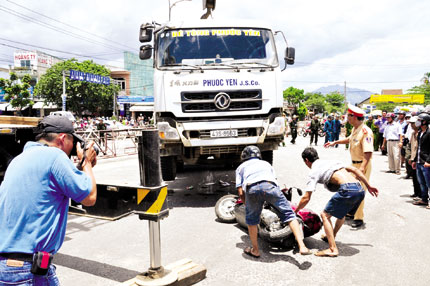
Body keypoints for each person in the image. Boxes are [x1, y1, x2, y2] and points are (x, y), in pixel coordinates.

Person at [0, 115, 97, 284]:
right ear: (62, 138)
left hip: (7, 267)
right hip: (27, 271)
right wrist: (86, 162)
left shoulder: (18, 160)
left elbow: (53, 184)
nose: (73, 147)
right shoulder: (54, 156)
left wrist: (80, 167)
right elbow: (89, 197)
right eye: (72, 141)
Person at [295, 147, 378, 257]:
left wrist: (296, 211)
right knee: (341, 213)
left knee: (325, 215)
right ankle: (332, 236)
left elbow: (306, 197)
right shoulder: (333, 162)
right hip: (359, 189)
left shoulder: (314, 171)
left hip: (347, 189)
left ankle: (332, 249)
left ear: (306, 160)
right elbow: (355, 170)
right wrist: (369, 185)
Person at [236, 146, 311, 258]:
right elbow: (274, 181)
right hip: (270, 187)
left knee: (251, 221)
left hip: (252, 189)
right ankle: (302, 246)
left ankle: (255, 250)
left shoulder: (240, 167)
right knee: (290, 215)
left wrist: (247, 204)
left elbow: (241, 192)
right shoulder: (266, 164)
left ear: (244, 156)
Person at [324, 104, 373, 228]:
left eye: (349, 116)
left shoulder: (366, 132)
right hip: (354, 164)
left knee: (360, 190)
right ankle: (352, 212)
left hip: (362, 165)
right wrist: (335, 142)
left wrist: (362, 168)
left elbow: (368, 152)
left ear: (354, 117)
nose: (347, 118)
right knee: (351, 188)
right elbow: (349, 139)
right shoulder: (355, 129)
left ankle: (359, 218)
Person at [412, 112, 430, 208]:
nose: (417, 122)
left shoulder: (429, 132)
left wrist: (428, 161)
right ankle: (424, 199)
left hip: (426, 162)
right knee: (422, 182)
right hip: (419, 161)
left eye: (420, 120)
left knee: (428, 182)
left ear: (425, 122)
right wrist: (415, 160)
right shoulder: (420, 133)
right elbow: (419, 148)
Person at [405, 116, 421, 198]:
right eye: (410, 123)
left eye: (413, 123)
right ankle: (416, 192)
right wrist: (409, 157)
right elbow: (409, 146)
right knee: (414, 177)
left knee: (420, 179)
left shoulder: (422, 133)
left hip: (420, 159)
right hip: (413, 158)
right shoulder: (412, 133)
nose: (411, 125)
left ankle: (421, 194)